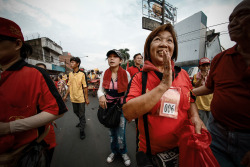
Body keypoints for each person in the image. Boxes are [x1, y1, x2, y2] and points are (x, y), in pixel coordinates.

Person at [123, 23, 205, 166]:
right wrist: (163, 86)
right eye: (158, 39)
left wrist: (196, 117)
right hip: (153, 156)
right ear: (148, 48)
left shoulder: (183, 74)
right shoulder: (139, 78)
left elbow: (190, 100)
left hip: (184, 148)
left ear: (174, 48)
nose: (164, 45)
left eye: (169, 40)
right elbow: (128, 113)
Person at [0, 17, 67, 165]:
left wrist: (8, 128)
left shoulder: (35, 74)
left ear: (17, 44)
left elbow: (56, 109)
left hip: (25, 154)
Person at [193, 1, 250, 167]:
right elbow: (210, 88)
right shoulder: (220, 59)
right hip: (216, 131)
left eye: (240, 16)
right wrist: (186, 92)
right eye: (231, 19)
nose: (232, 23)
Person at [97, 49, 131, 166]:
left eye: (115, 57)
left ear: (120, 60)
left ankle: (123, 152)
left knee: (121, 132)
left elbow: (129, 92)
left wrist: (129, 109)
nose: (111, 59)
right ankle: (114, 151)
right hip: (108, 107)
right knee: (111, 132)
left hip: (121, 107)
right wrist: (101, 96)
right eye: (109, 57)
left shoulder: (126, 74)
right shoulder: (104, 74)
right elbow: (101, 90)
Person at [63, 57, 89, 140]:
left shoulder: (82, 74)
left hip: (81, 98)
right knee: (75, 111)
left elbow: (85, 87)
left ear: (78, 64)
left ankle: (82, 130)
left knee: (81, 113)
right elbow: (69, 86)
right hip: (73, 97)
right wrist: (65, 95)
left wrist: (86, 98)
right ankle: (83, 121)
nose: (71, 64)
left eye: (73, 62)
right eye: (70, 62)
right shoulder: (70, 74)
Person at [192, 57, 213, 125]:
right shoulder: (196, 76)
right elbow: (196, 86)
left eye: (207, 65)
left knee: (211, 125)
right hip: (200, 105)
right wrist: (201, 78)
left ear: (209, 66)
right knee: (203, 124)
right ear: (199, 67)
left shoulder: (212, 75)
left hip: (211, 104)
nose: (205, 67)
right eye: (203, 65)